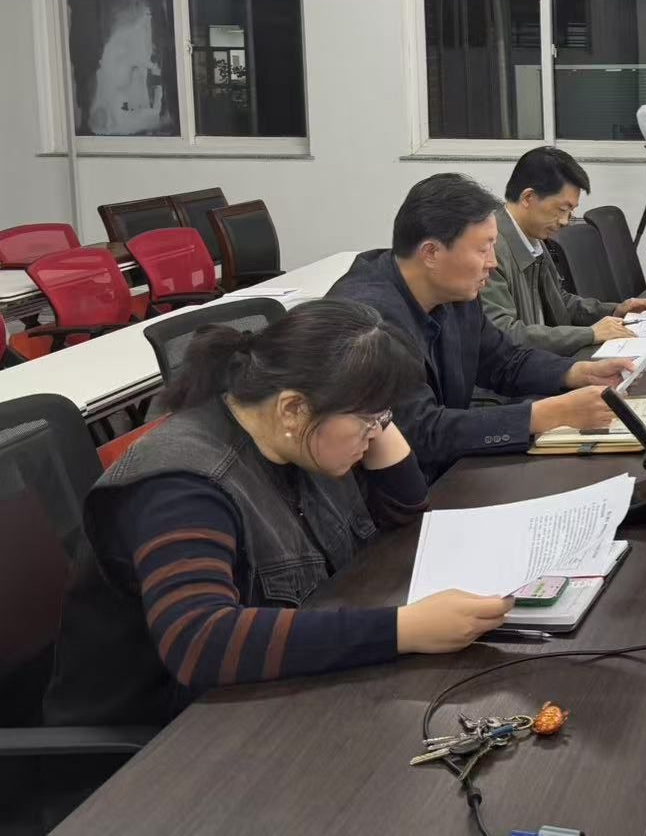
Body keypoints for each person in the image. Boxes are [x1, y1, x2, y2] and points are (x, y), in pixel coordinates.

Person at [46, 301, 515, 727]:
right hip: (163, 739)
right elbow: (200, 640)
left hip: (258, 699)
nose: (376, 434)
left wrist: (372, 411)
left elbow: (405, 508)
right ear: (293, 409)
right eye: (370, 420)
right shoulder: (181, 487)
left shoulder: (290, 436)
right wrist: (404, 629)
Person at [328, 173, 631, 477]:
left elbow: (503, 360)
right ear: (431, 253)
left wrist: (577, 372)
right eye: (483, 249)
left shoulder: (454, 290)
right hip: (396, 489)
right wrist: (542, 415)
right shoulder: (369, 321)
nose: (493, 262)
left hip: (446, 469)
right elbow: (420, 431)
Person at [483, 146, 646, 359]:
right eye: (562, 209)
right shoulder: (489, 250)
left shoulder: (534, 237)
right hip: (517, 373)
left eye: (570, 211)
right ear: (528, 197)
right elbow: (504, 333)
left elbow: (559, 301)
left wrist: (615, 311)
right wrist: (589, 334)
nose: (565, 221)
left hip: (541, 362)